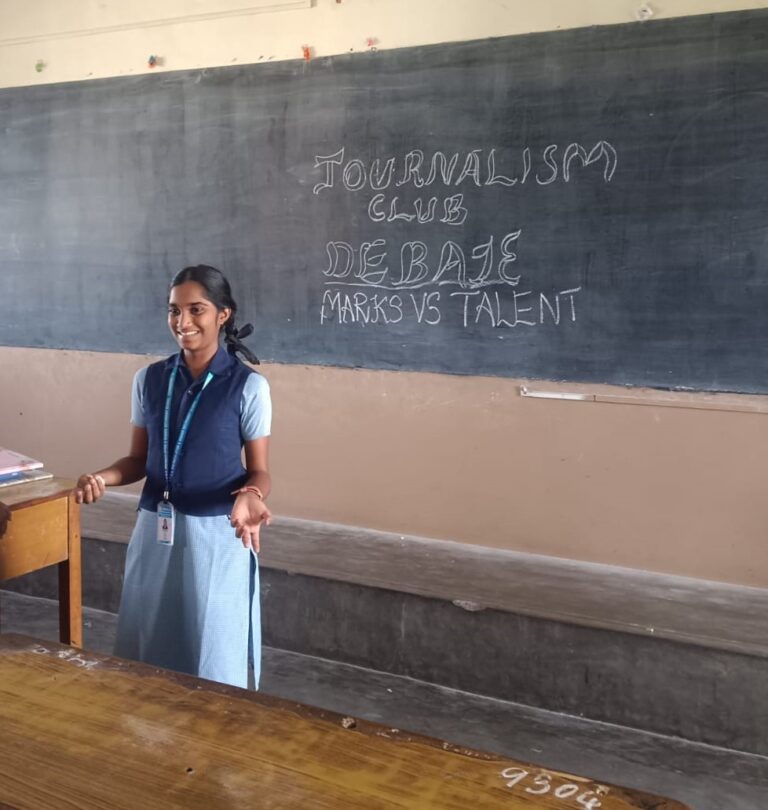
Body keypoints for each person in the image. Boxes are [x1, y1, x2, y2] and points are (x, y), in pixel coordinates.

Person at [76, 265, 272, 688]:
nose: (182, 322)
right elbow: (137, 460)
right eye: (173, 310)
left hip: (218, 532)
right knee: (149, 642)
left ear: (223, 314)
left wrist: (252, 494)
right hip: (155, 527)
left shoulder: (248, 387)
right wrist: (102, 477)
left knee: (213, 650)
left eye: (196, 309)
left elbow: (259, 469)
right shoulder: (149, 379)